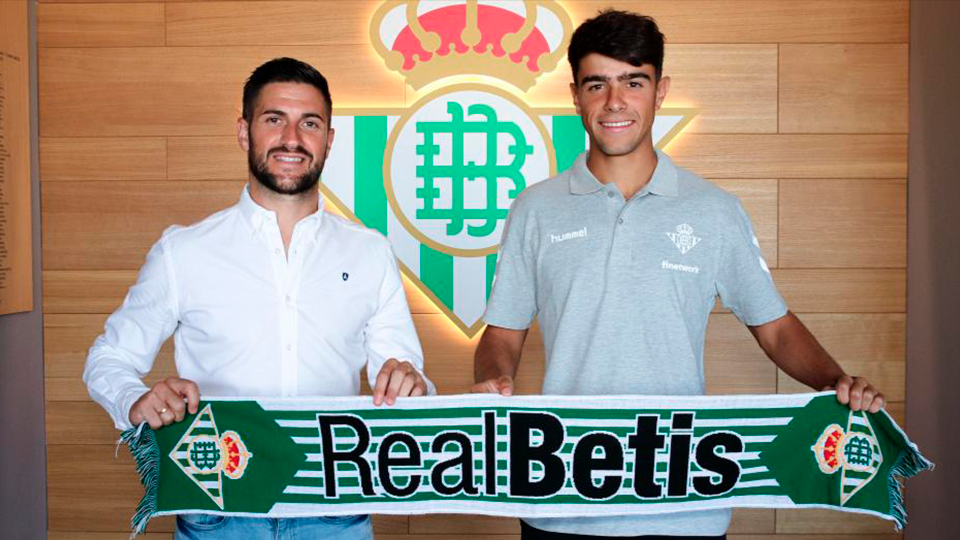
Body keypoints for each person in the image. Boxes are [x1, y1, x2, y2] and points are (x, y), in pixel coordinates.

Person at [472, 10, 884, 540]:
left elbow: (775, 326)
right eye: (597, 84)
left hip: (684, 502)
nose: (614, 101)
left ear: (660, 91)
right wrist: (492, 380)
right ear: (575, 95)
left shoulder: (714, 210)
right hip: (562, 500)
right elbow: (502, 333)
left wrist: (836, 382)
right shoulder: (534, 209)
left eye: (633, 81)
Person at [84, 57, 434, 540]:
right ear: (245, 132)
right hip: (216, 514)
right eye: (275, 120)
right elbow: (108, 358)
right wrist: (135, 400)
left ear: (329, 140)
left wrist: (412, 385)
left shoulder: (371, 252)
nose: (292, 138)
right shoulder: (183, 251)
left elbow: (408, 384)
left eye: (309, 123)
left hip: (336, 514)